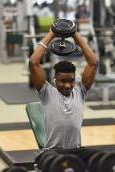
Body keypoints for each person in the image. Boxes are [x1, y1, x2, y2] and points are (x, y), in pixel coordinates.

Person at [30, 28, 98, 164]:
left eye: (71, 81)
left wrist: (74, 34)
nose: (67, 85)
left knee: (101, 159)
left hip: (76, 150)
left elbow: (93, 63)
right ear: (55, 80)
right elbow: (33, 62)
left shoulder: (80, 92)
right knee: (59, 164)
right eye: (63, 81)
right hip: (51, 152)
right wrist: (52, 33)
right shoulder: (47, 93)